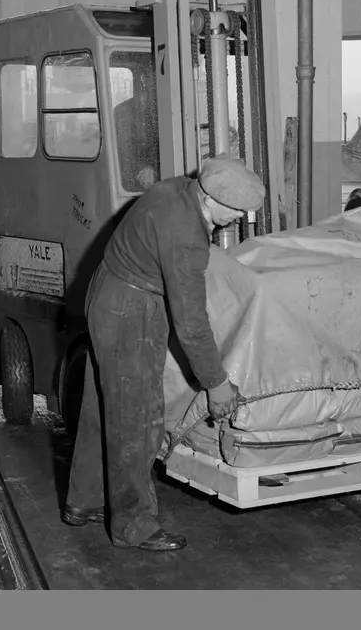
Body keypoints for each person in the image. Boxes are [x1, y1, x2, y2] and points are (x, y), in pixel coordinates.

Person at [64, 155, 266, 551]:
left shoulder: (177, 190)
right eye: (237, 211)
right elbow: (190, 323)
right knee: (137, 419)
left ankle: (84, 501)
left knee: (101, 408)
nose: (239, 219)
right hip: (130, 311)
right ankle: (133, 525)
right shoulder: (184, 232)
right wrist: (216, 383)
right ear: (212, 198)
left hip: (108, 294)